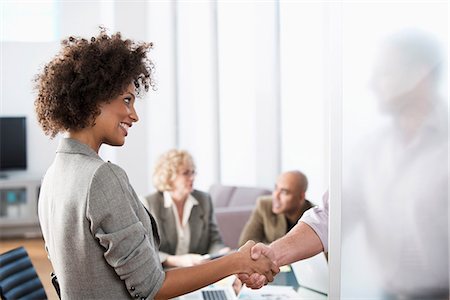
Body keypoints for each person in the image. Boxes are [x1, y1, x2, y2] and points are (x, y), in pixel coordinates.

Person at [34, 29, 278, 300]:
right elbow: (152, 287)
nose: (134, 115)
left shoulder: (53, 176)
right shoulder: (100, 176)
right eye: (127, 100)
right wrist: (237, 261)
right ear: (94, 97)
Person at [241, 29, 449, 298]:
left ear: (420, 74)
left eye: (386, 73)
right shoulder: (372, 149)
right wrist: (273, 254)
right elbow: (331, 217)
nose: (372, 84)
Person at [143, 149, 230, 268]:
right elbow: (144, 250)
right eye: (186, 173)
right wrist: (174, 260)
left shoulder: (204, 200)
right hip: (164, 274)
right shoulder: (150, 204)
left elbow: (214, 240)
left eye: (193, 172)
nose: (192, 177)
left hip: (197, 273)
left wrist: (220, 253)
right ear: (169, 176)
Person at [238, 170, 314, 247]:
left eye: (284, 192)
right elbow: (245, 243)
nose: (275, 196)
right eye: (276, 188)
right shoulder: (264, 205)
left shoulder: (315, 217)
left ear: (301, 197)